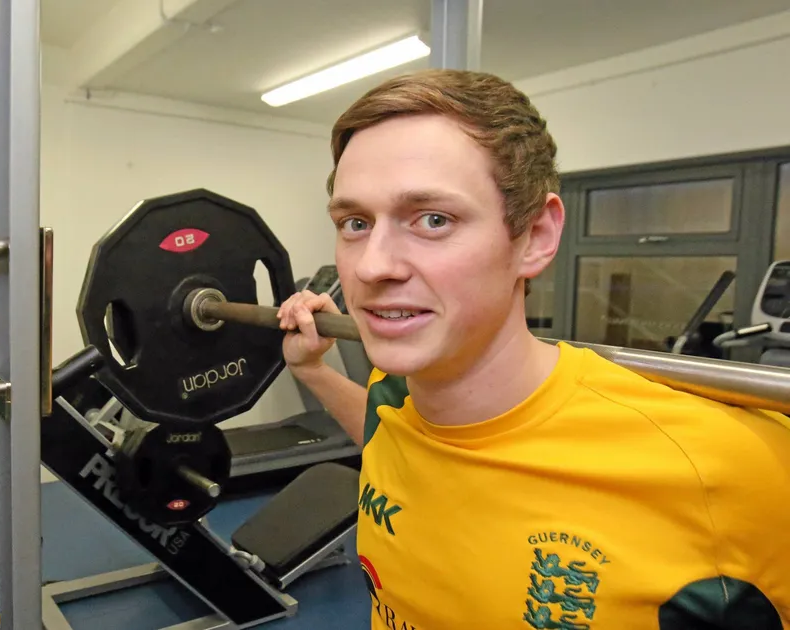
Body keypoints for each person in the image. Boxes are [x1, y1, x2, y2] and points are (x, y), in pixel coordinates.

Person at [277, 70, 790, 629]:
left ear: (537, 237)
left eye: (433, 220)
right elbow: (392, 444)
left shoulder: (731, 468)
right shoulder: (395, 394)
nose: (373, 265)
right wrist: (316, 371)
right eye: (355, 222)